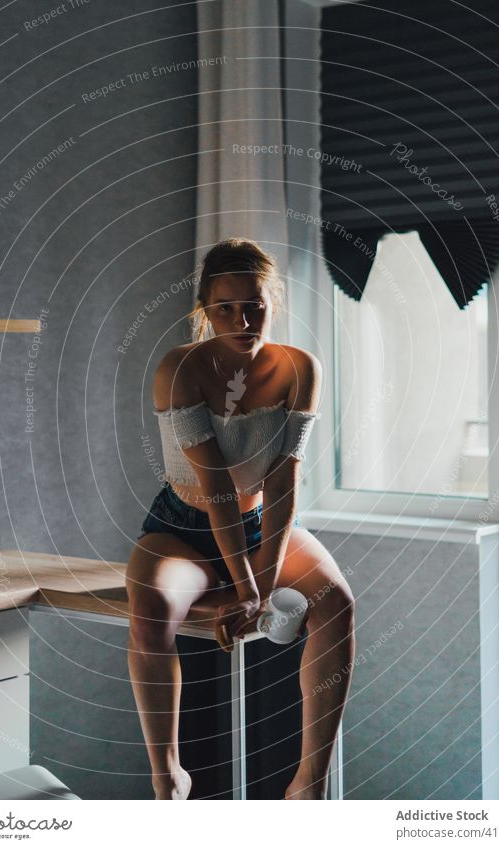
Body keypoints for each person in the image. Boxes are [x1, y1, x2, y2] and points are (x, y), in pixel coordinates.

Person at [126, 238, 355, 800]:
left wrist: (262, 577)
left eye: (254, 304)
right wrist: (249, 590)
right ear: (204, 309)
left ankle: (310, 780)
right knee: (151, 609)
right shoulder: (180, 367)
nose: (243, 319)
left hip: (260, 526)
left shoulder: (302, 367)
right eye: (226, 307)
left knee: (339, 606)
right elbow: (218, 488)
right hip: (182, 527)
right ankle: (168, 773)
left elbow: (281, 481)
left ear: (272, 299)